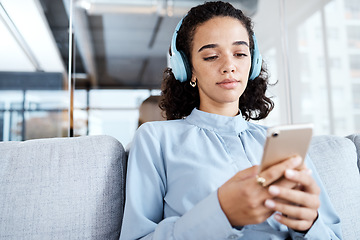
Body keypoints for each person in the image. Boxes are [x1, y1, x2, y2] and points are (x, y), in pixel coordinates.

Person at [120, 1, 342, 239]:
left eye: (240, 54)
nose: (229, 66)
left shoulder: (285, 144)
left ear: (253, 63)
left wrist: (309, 225)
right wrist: (221, 213)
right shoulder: (156, 139)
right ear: (188, 68)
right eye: (212, 56)